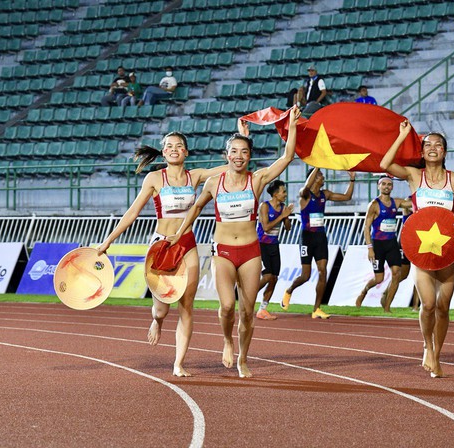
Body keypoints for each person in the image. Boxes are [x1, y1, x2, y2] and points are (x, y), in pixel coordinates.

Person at [170, 106, 301, 378]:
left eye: (244, 152)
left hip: (251, 252)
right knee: (228, 305)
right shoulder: (213, 183)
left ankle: (243, 358)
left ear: (249, 156)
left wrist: (292, 124)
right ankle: (227, 340)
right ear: (226, 155)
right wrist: (179, 232)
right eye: (234, 152)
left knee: (248, 312)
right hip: (223, 251)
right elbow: (195, 208)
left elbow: (288, 156)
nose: (238, 156)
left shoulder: (257, 180)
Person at [96, 132, 228, 377]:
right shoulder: (155, 178)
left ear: (186, 152)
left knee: (186, 306)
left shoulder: (195, 176)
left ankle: (178, 363)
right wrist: (108, 241)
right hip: (161, 246)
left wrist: (240, 142)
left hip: (187, 244)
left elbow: (230, 167)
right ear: (164, 152)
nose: (174, 149)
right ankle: (156, 321)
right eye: (169, 146)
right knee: (161, 311)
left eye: (179, 146)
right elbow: (132, 212)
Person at [380, 122, 454, 378]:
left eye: (438, 145)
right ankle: (427, 346)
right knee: (428, 304)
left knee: (443, 307)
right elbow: (385, 164)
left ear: (444, 151)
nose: (433, 148)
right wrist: (402, 135)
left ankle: (438, 353)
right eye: (428, 145)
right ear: (422, 152)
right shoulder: (414, 176)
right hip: (421, 251)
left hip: (447, 251)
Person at [281, 167, 356, 319]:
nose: (323, 178)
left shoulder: (325, 194)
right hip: (307, 238)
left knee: (323, 271)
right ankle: (289, 291)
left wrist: (352, 179)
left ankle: (317, 309)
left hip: (320, 237)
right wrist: (317, 165)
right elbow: (306, 186)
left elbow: (347, 197)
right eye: (320, 175)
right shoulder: (305, 194)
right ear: (314, 178)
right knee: (305, 275)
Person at [355, 176, 411, 312]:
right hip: (378, 245)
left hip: (392, 244)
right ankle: (364, 291)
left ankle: (387, 307)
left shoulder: (396, 202)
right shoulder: (374, 205)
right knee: (379, 278)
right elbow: (366, 227)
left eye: (389, 184)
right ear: (378, 186)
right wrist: (370, 248)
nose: (386, 186)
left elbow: (412, 204)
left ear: (392, 187)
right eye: (383, 184)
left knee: (396, 274)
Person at [256, 179, 293, 320]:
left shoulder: (283, 208)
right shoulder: (264, 206)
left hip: (274, 245)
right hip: (262, 245)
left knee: (274, 279)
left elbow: (288, 228)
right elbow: (266, 227)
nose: (286, 194)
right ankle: (247, 295)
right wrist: (282, 216)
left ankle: (262, 309)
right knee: (266, 277)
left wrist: (287, 216)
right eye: (284, 192)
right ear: (276, 194)